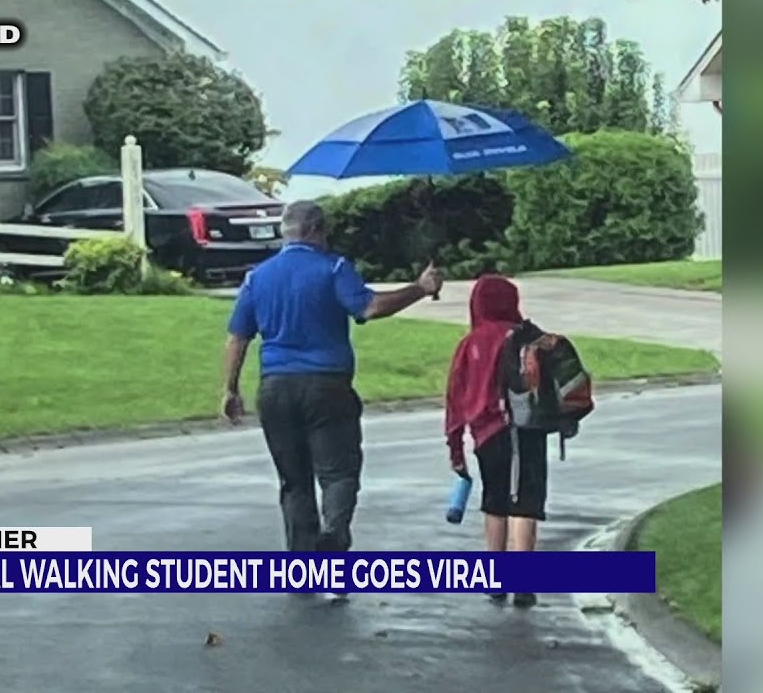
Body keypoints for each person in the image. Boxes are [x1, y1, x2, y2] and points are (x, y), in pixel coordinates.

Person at [220, 200, 443, 572]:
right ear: (314, 231)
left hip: (275, 388)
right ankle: (334, 537)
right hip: (327, 386)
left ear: (286, 232)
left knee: (294, 481)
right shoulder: (334, 268)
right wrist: (419, 288)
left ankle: (301, 566)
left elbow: (237, 338)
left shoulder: (258, 278)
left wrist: (230, 388)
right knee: (338, 473)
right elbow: (370, 307)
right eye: (325, 232)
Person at [444, 275, 547, 608]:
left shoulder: (470, 344)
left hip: (487, 434)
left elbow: (455, 399)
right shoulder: (528, 338)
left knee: (495, 501)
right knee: (526, 502)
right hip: (528, 429)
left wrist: (456, 448)